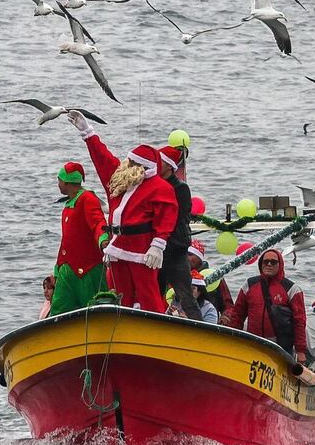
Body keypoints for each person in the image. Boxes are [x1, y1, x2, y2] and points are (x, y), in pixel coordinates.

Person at [66, 111, 177, 312]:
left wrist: (158, 245)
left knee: (148, 294)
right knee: (118, 294)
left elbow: (167, 217)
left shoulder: (160, 188)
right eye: (130, 161)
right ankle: (120, 324)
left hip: (141, 250)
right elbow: (102, 158)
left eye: (135, 163)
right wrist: (87, 132)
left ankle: (155, 326)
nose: (129, 166)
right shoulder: (119, 180)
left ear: (146, 167)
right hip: (117, 248)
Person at [47, 161, 109, 316]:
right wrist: (58, 268)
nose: (58, 184)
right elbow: (67, 241)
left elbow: (98, 222)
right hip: (67, 271)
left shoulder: (87, 199)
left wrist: (103, 239)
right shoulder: (69, 205)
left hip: (88, 269)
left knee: (95, 310)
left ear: (67, 182)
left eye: (59, 181)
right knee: (58, 312)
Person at [223, 248, 307, 361]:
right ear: (260, 264)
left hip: (281, 347)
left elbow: (299, 321)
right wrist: (232, 340)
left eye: (273, 262)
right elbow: (238, 315)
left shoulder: (292, 289)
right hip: (254, 344)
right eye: (265, 261)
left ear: (280, 264)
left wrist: (300, 350)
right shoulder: (249, 285)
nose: (269, 264)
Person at [157, 144, 202, 320]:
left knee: (186, 296)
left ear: (169, 165)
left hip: (176, 250)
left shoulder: (180, 188)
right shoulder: (154, 185)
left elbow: (180, 216)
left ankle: (201, 331)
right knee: (156, 293)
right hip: (159, 250)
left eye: (159, 161)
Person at [188, 239, 234, 320]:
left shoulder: (215, 277)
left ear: (199, 257)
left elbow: (228, 305)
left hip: (210, 322)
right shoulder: (177, 276)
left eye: (190, 254)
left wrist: (225, 317)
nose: (186, 258)